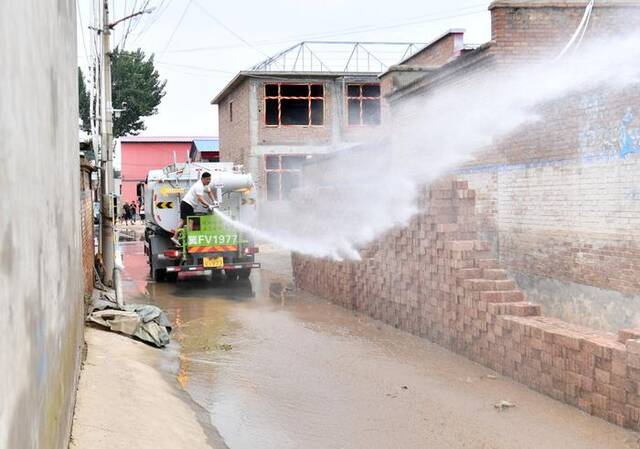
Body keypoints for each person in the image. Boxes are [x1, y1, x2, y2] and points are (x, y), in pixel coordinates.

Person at [172, 172, 218, 245]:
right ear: (202, 179)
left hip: (187, 204)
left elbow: (209, 192)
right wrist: (209, 205)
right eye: (207, 179)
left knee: (185, 221)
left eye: (210, 179)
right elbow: (200, 198)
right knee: (189, 221)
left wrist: (214, 201)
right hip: (187, 204)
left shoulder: (205, 185)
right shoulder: (199, 186)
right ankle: (180, 237)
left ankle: (177, 237)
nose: (209, 181)